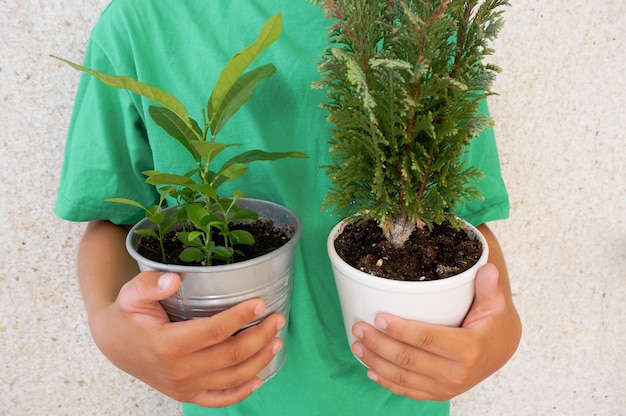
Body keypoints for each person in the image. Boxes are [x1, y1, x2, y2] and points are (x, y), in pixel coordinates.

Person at [54, 0, 522, 414]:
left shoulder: (428, 23)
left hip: (399, 397)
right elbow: (117, 221)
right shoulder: (143, 21)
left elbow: (464, 231)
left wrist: (498, 337)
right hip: (233, 396)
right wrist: (110, 330)